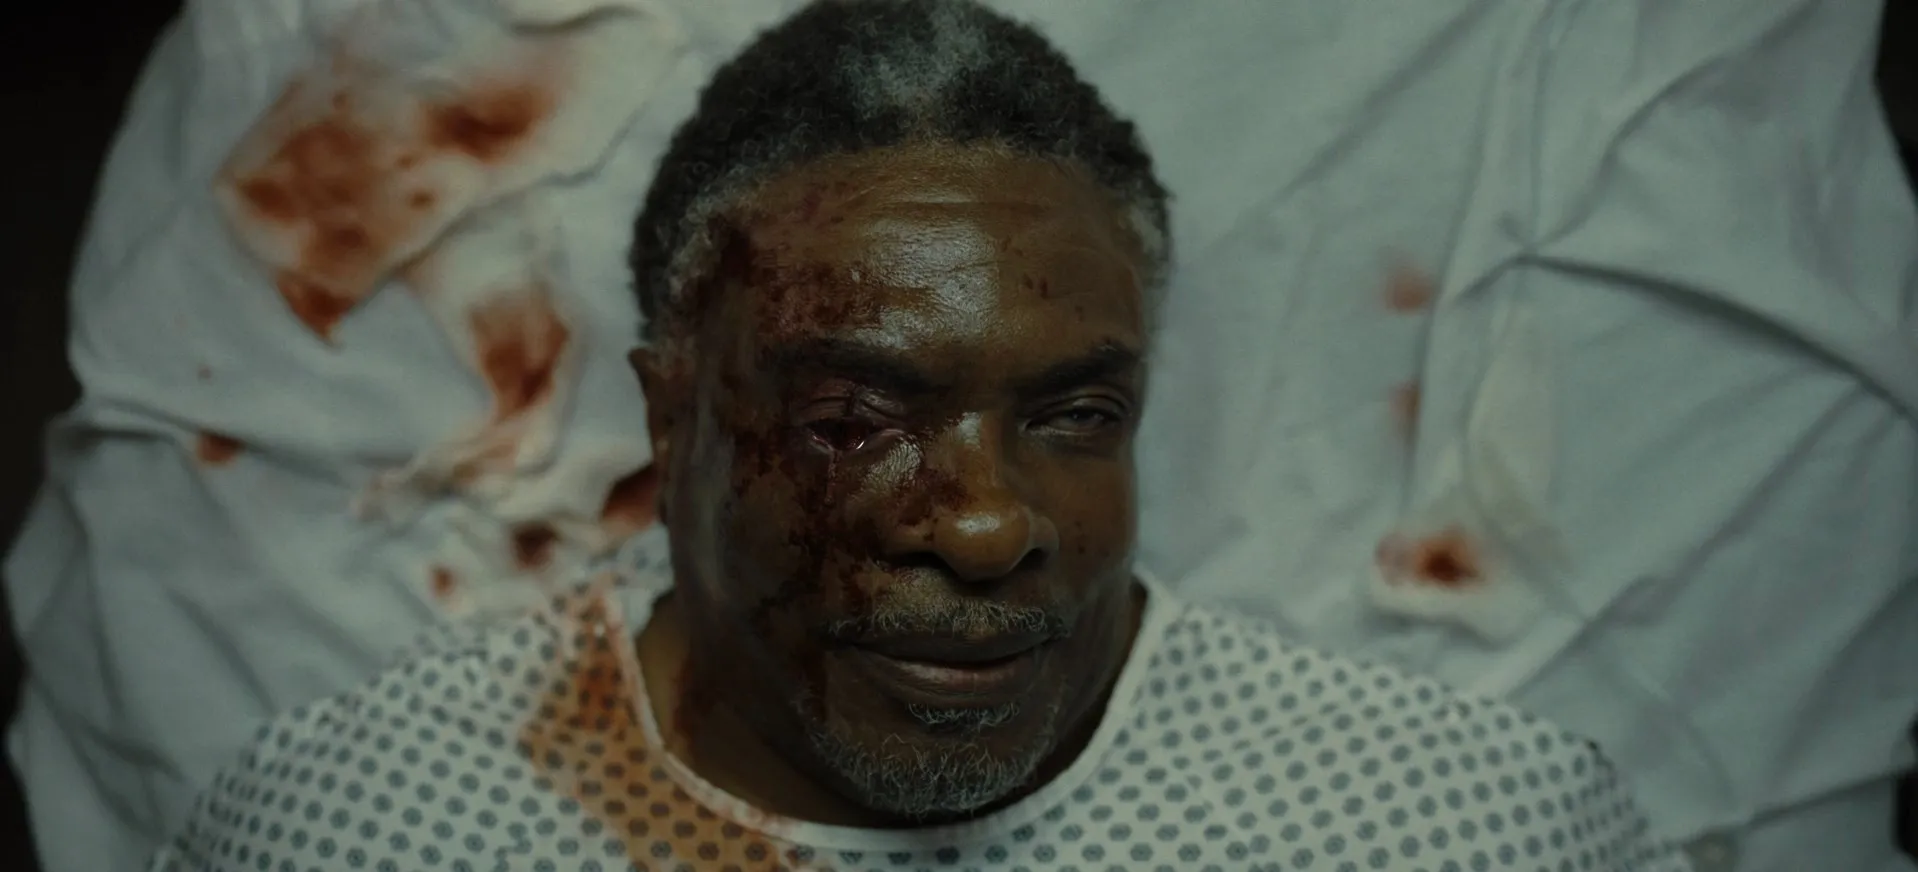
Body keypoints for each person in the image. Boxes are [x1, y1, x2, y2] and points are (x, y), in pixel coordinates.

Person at [145, 2, 1685, 870]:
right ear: (672, 417)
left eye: (1076, 415)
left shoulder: (1462, 832)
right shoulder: (360, 833)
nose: (984, 524)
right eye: (852, 420)